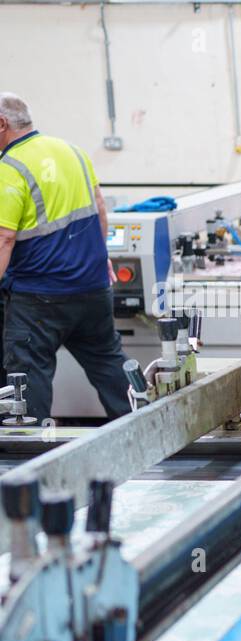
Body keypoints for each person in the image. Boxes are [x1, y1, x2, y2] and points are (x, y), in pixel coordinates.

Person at [0, 92, 130, 421]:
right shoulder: (72, 151)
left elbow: (4, 237)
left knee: (29, 377)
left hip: (39, 298)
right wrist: (100, 258)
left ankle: (31, 457)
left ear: (2, 124)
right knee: (110, 367)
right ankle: (150, 435)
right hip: (93, 289)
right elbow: (100, 207)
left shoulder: (10, 167)